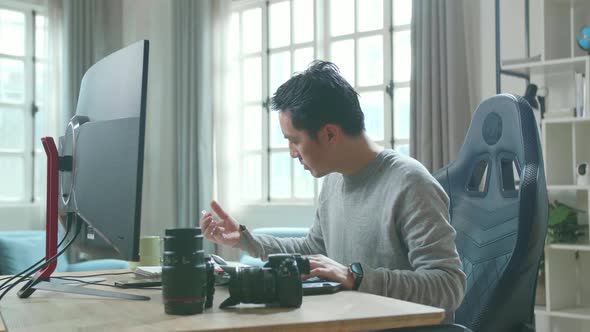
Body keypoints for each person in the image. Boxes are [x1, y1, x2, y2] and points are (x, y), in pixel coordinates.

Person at [200, 61, 465, 321]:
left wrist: (355, 276)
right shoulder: (334, 181)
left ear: (329, 134)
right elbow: (313, 249)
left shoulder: (410, 183)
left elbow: (448, 286)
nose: (292, 153)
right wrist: (244, 240)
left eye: (295, 141)